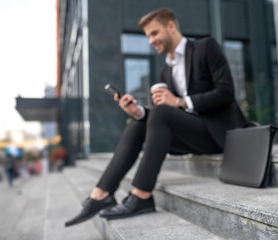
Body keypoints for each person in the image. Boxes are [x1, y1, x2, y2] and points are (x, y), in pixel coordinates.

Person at [65, 7, 247, 227]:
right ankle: (101, 193)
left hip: (220, 133)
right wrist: (138, 112)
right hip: (195, 134)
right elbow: (173, 115)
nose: (150, 40)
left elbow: (226, 93)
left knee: (161, 111)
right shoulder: (166, 71)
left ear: (171, 26)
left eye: (154, 33)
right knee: (138, 123)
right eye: (148, 36)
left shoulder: (205, 47)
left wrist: (178, 101)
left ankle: (141, 194)